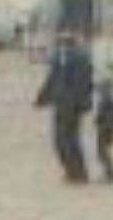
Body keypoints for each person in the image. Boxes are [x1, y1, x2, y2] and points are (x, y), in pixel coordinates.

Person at [35, 29, 92, 184]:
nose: (62, 47)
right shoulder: (59, 60)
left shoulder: (81, 59)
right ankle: (72, 172)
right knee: (61, 141)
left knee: (68, 140)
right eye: (60, 43)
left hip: (72, 107)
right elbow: (51, 81)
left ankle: (78, 174)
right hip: (60, 105)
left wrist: (80, 105)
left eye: (64, 43)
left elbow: (84, 85)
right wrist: (41, 99)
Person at [93, 78, 113, 184]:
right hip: (105, 129)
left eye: (102, 89)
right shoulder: (106, 100)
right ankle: (109, 173)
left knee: (102, 153)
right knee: (102, 153)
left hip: (106, 130)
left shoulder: (108, 101)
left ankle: (111, 174)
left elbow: (112, 118)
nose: (99, 92)